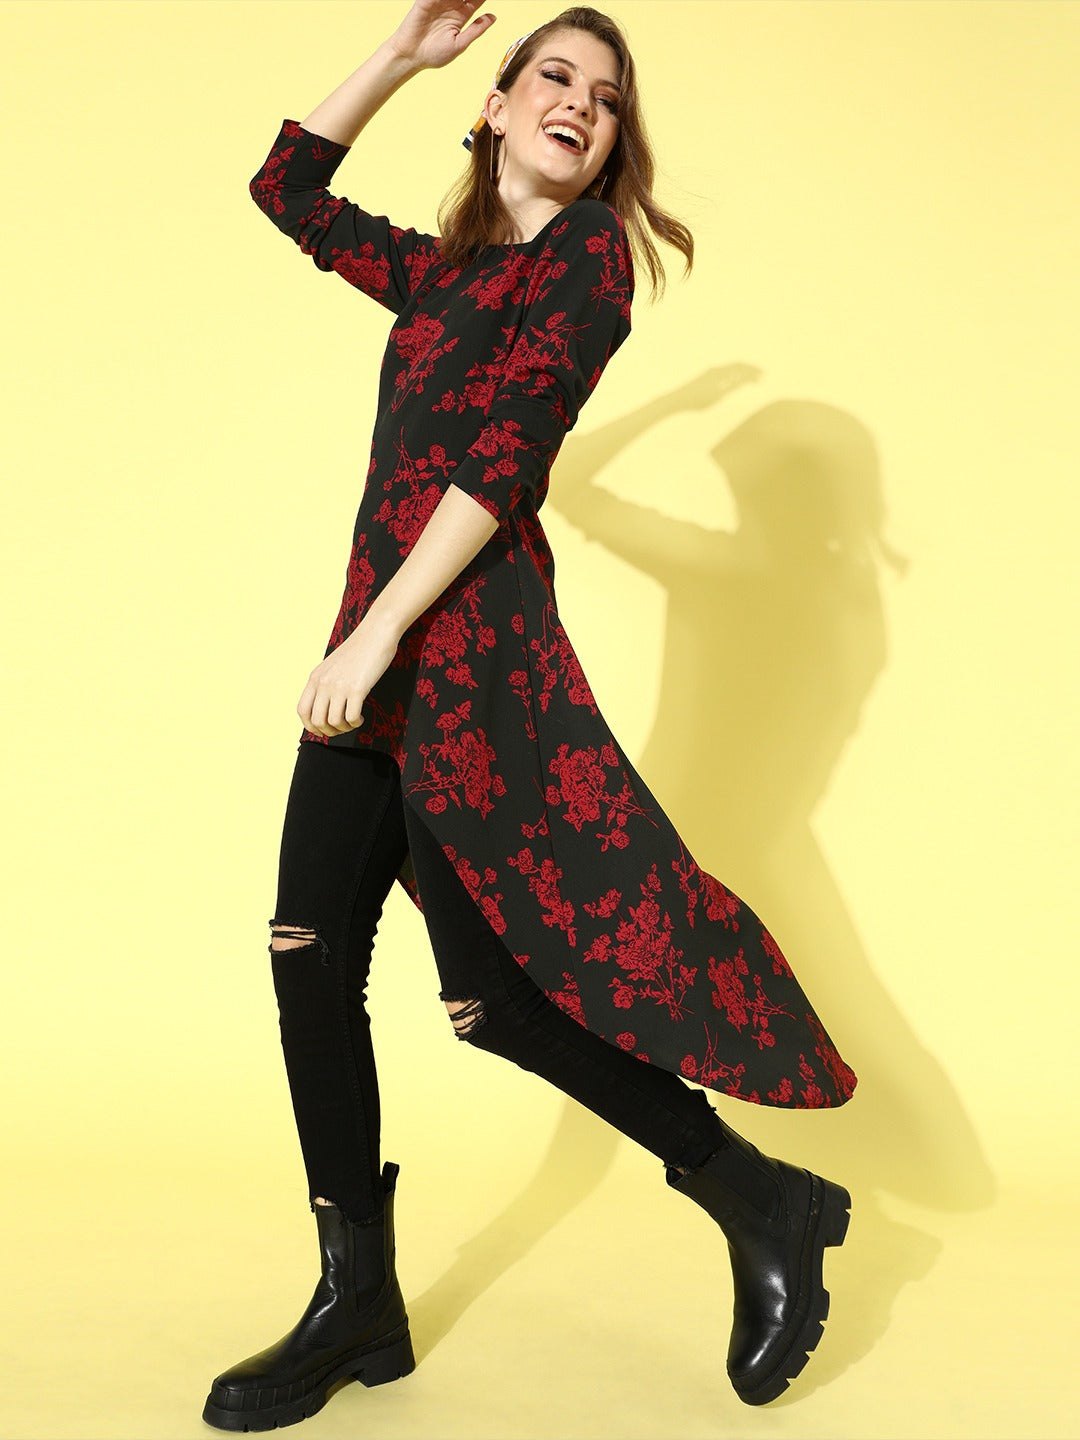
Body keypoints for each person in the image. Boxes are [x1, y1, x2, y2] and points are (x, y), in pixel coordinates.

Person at [203, 1, 858, 1431]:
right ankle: (356, 1300)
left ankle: (760, 1197)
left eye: (605, 99)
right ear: (496, 106)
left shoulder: (589, 263)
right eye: (553, 78)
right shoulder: (449, 273)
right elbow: (286, 189)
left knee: (491, 1002)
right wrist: (400, 57)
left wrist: (378, 633)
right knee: (309, 953)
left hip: (460, 665)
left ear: (613, 145)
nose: (580, 104)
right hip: (379, 654)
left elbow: (504, 462)